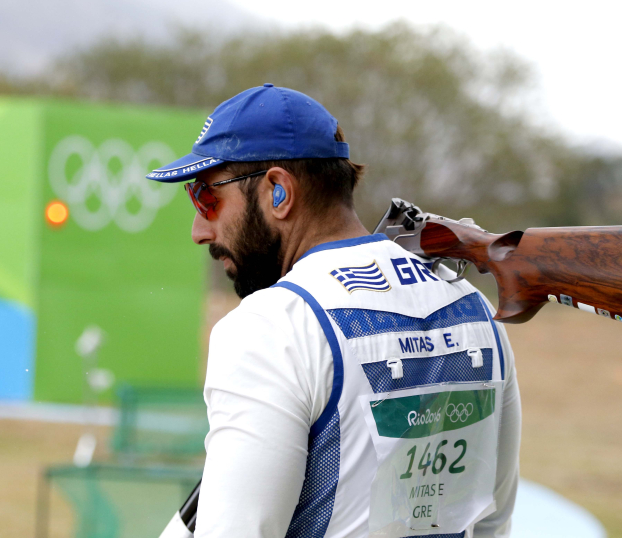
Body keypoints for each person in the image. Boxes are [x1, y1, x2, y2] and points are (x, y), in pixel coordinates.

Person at [146, 84, 521, 538]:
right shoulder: (475, 310)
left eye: (207, 198)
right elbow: (491, 521)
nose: (198, 230)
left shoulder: (270, 327)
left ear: (278, 192)